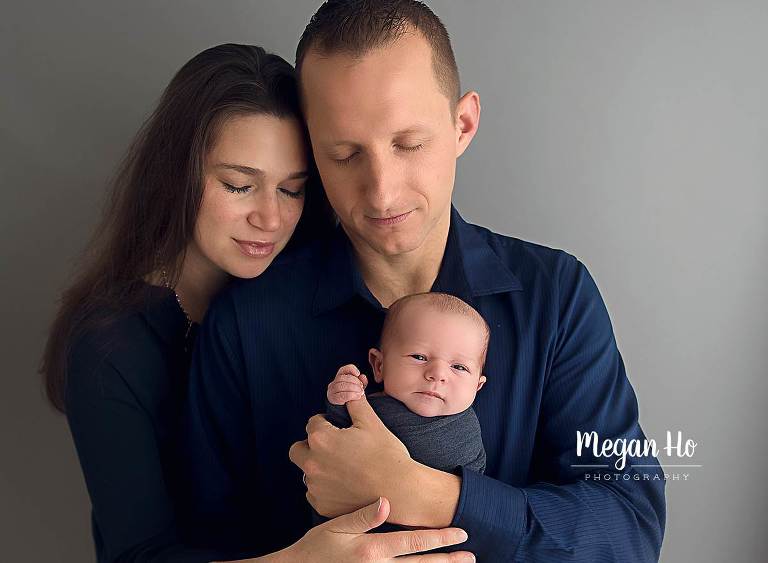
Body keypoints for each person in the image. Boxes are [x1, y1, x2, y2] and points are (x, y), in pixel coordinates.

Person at [185, 1, 666, 562]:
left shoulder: (557, 297)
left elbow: (630, 526)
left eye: (409, 144)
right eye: (344, 155)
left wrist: (430, 495)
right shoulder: (244, 323)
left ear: (462, 124)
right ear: (313, 154)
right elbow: (192, 545)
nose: (382, 192)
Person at [40, 43, 341, 562]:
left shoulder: (310, 294)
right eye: (239, 185)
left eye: (292, 191)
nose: (269, 219)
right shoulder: (110, 345)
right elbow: (139, 553)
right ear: (178, 174)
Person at [325, 292, 488, 474]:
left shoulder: (467, 434)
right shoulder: (367, 405)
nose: (437, 374)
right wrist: (342, 398)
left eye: (459, 367)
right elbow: (336, 436)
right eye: (419, 357)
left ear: (477, 386)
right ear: (379, 366)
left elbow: (476, 487)